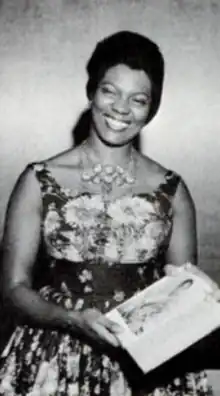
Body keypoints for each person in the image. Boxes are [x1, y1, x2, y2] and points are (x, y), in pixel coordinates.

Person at [0, 30, 214, 395]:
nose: (120, 109)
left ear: (152, 109)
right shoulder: (39, 180)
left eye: (138, 99)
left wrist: (201, 299)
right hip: (55, 356)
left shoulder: (172, 190)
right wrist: (71, 319)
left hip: (145, 364)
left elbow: (181, 291)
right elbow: (13, 287)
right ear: (91, 92)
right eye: (109, 91)